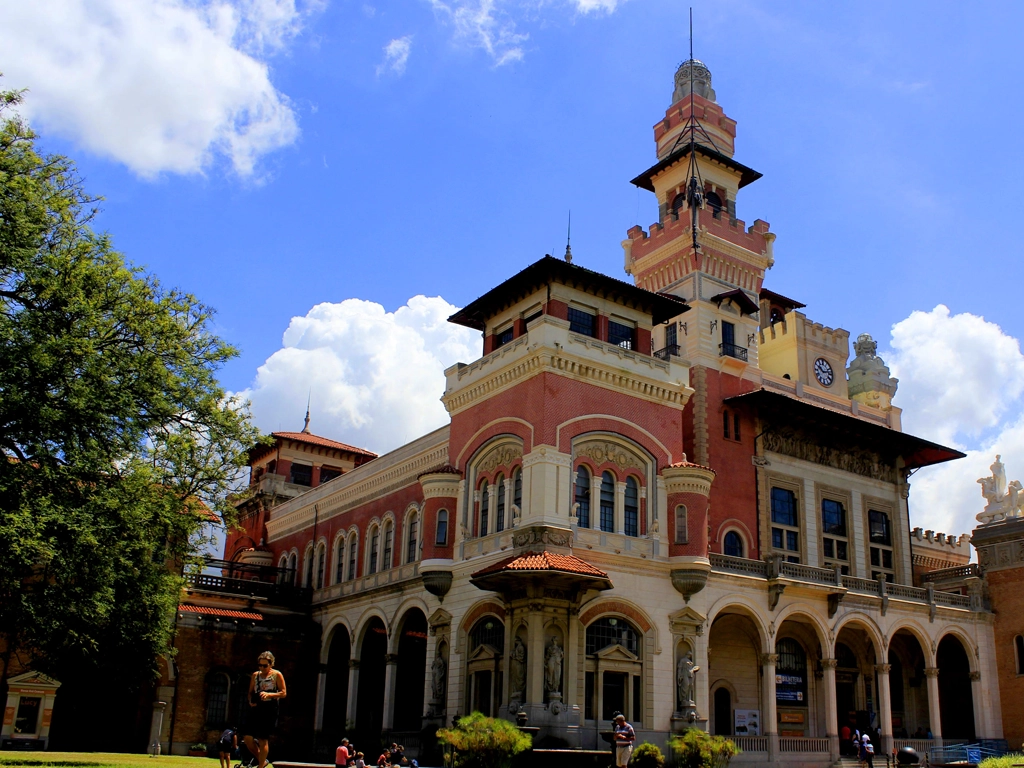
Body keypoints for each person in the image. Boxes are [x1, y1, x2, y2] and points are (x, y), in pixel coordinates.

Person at [244, 651, 288, 768]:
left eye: (265, 665)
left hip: (269, 709)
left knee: (263, 739)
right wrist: (250, 701)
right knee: (247, 738)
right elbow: (250, 693)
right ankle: (262, 761)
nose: (262, 668)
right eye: (260, 665)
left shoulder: (276, 675)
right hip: (256, 708)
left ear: (271, 664)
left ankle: (260, 766)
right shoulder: (255, 675)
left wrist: (269, 695)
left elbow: (283, 693)